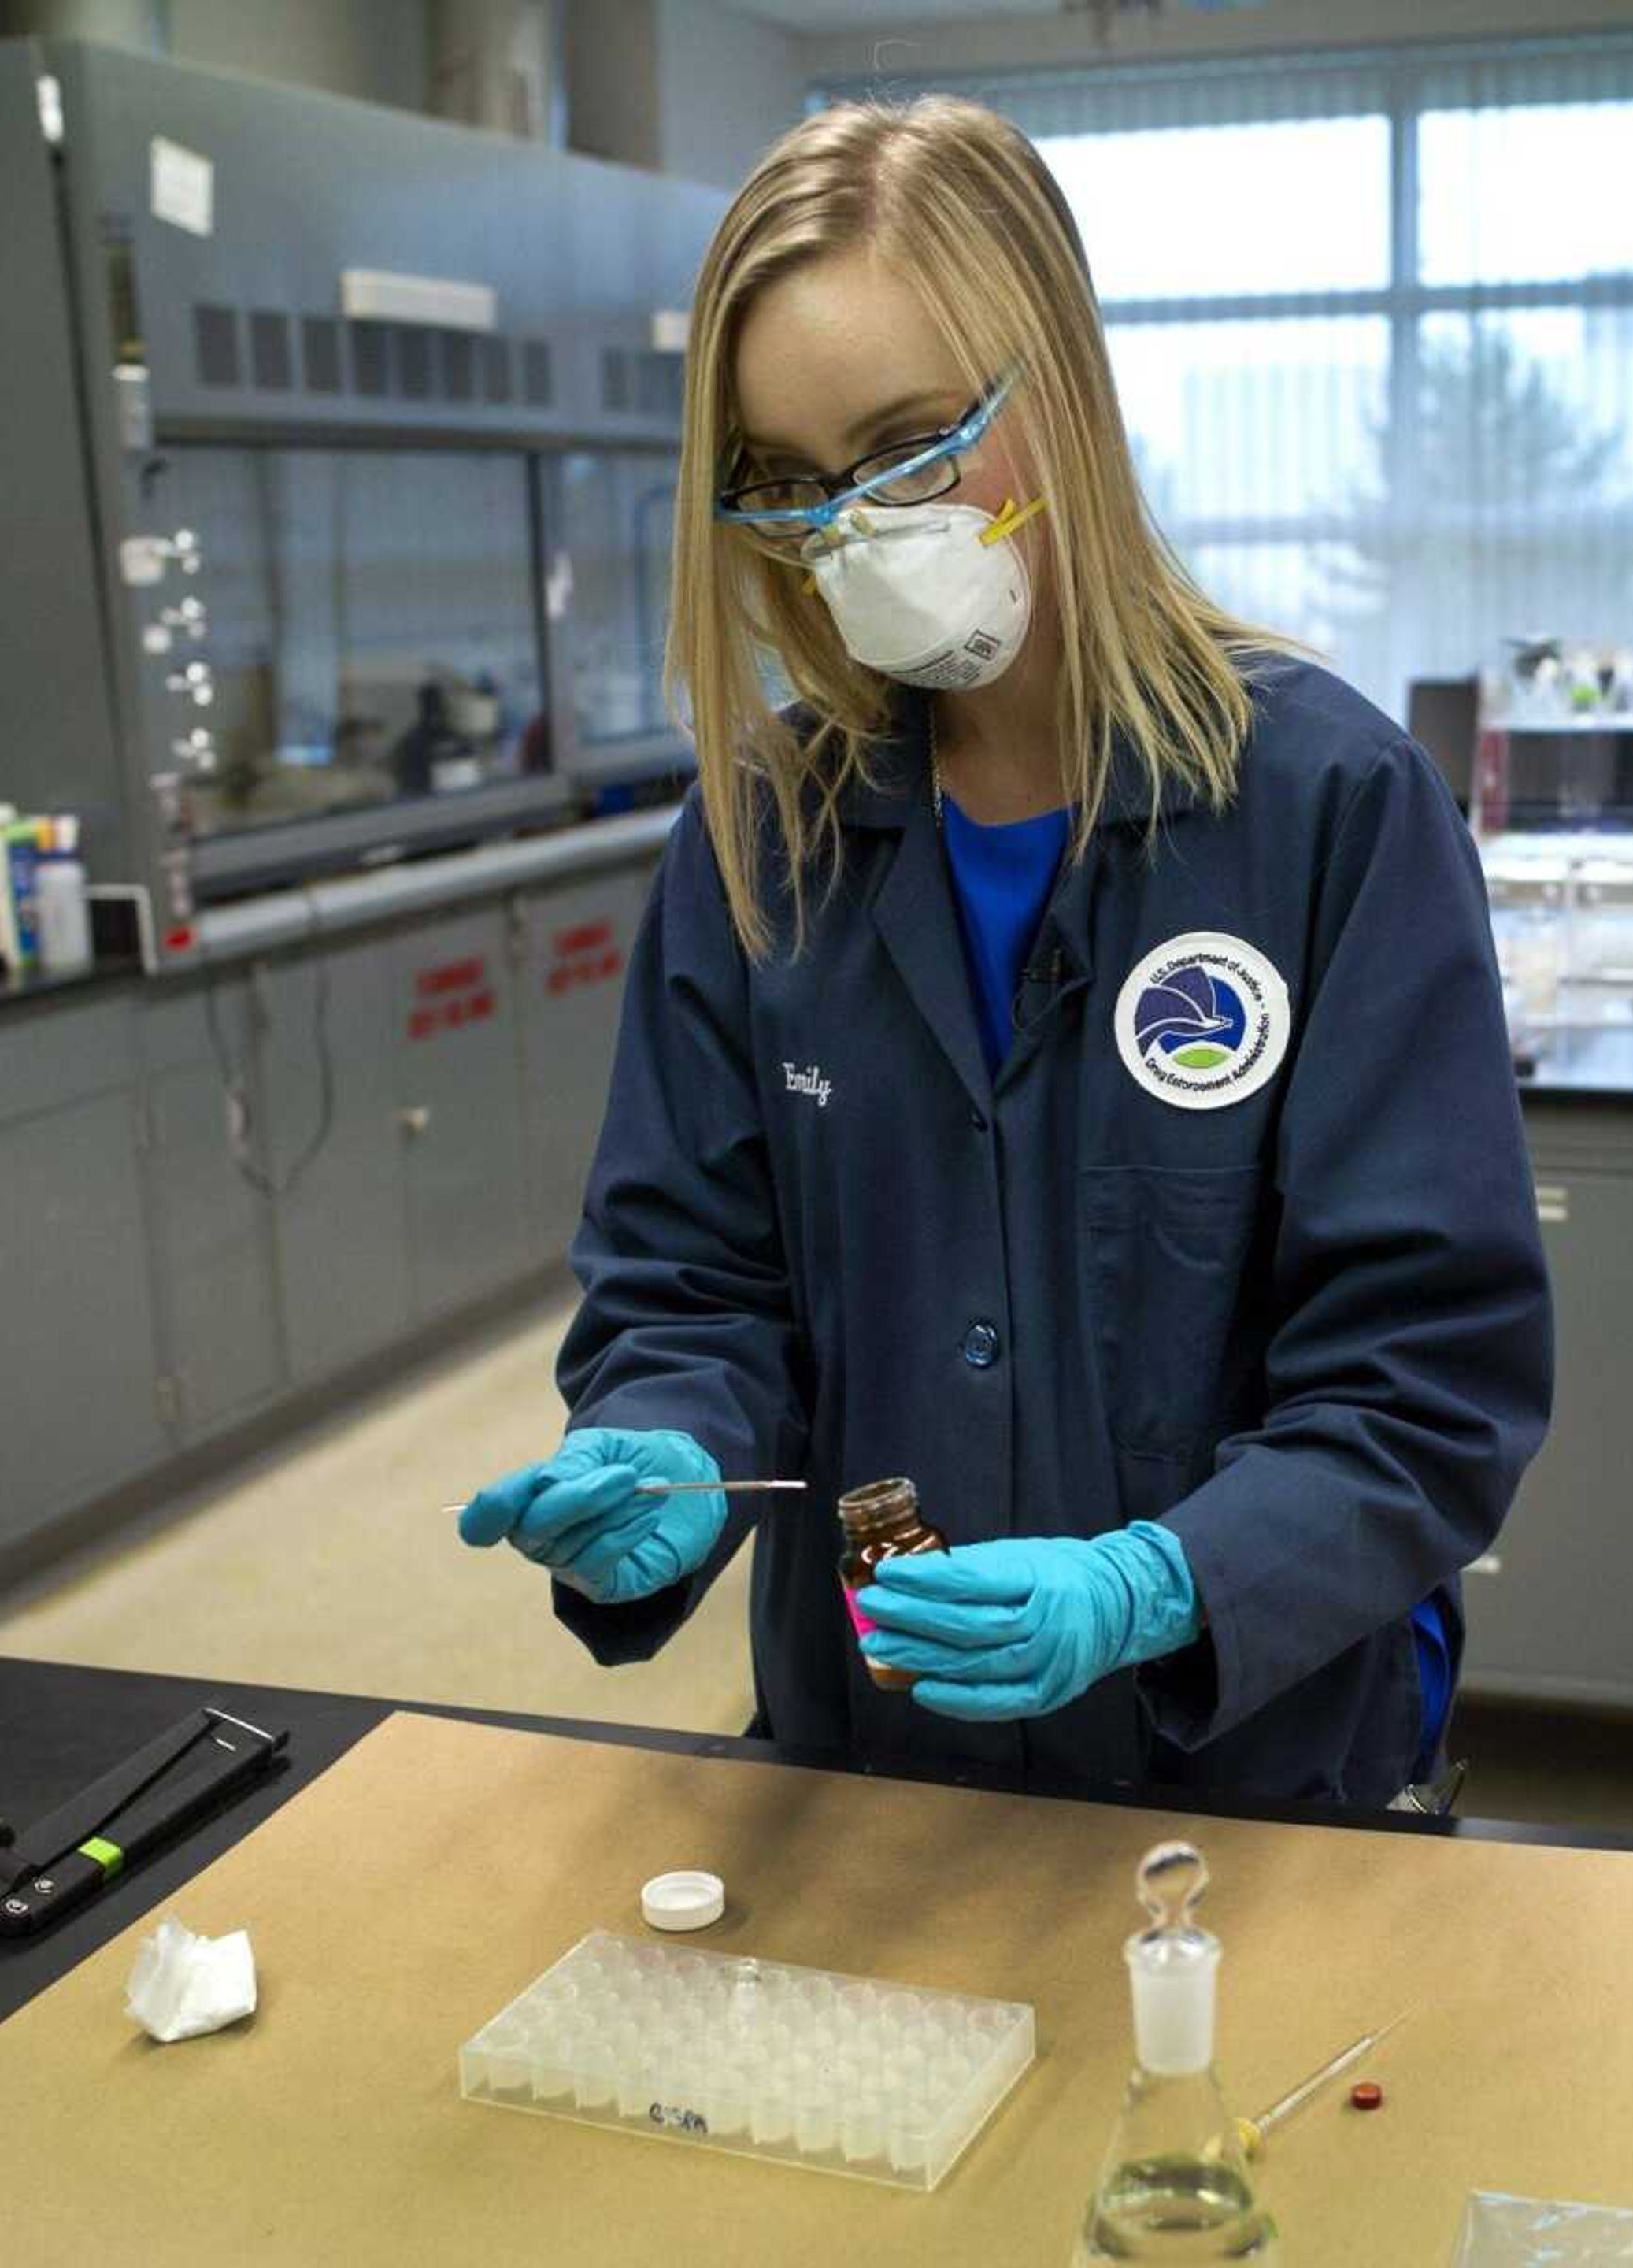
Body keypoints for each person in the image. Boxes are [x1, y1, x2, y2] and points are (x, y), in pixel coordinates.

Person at [456, 95, 1550, 1805]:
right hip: (878, 1766)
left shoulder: (1330, 815)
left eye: (910, 449)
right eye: (797, 486)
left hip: (1251, 1777)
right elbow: (691, 1285)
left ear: (1065, 390)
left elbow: (1424, 1382)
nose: (859, 533)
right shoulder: (764, 845)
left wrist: (1164, 1581)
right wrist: (664, 1444)